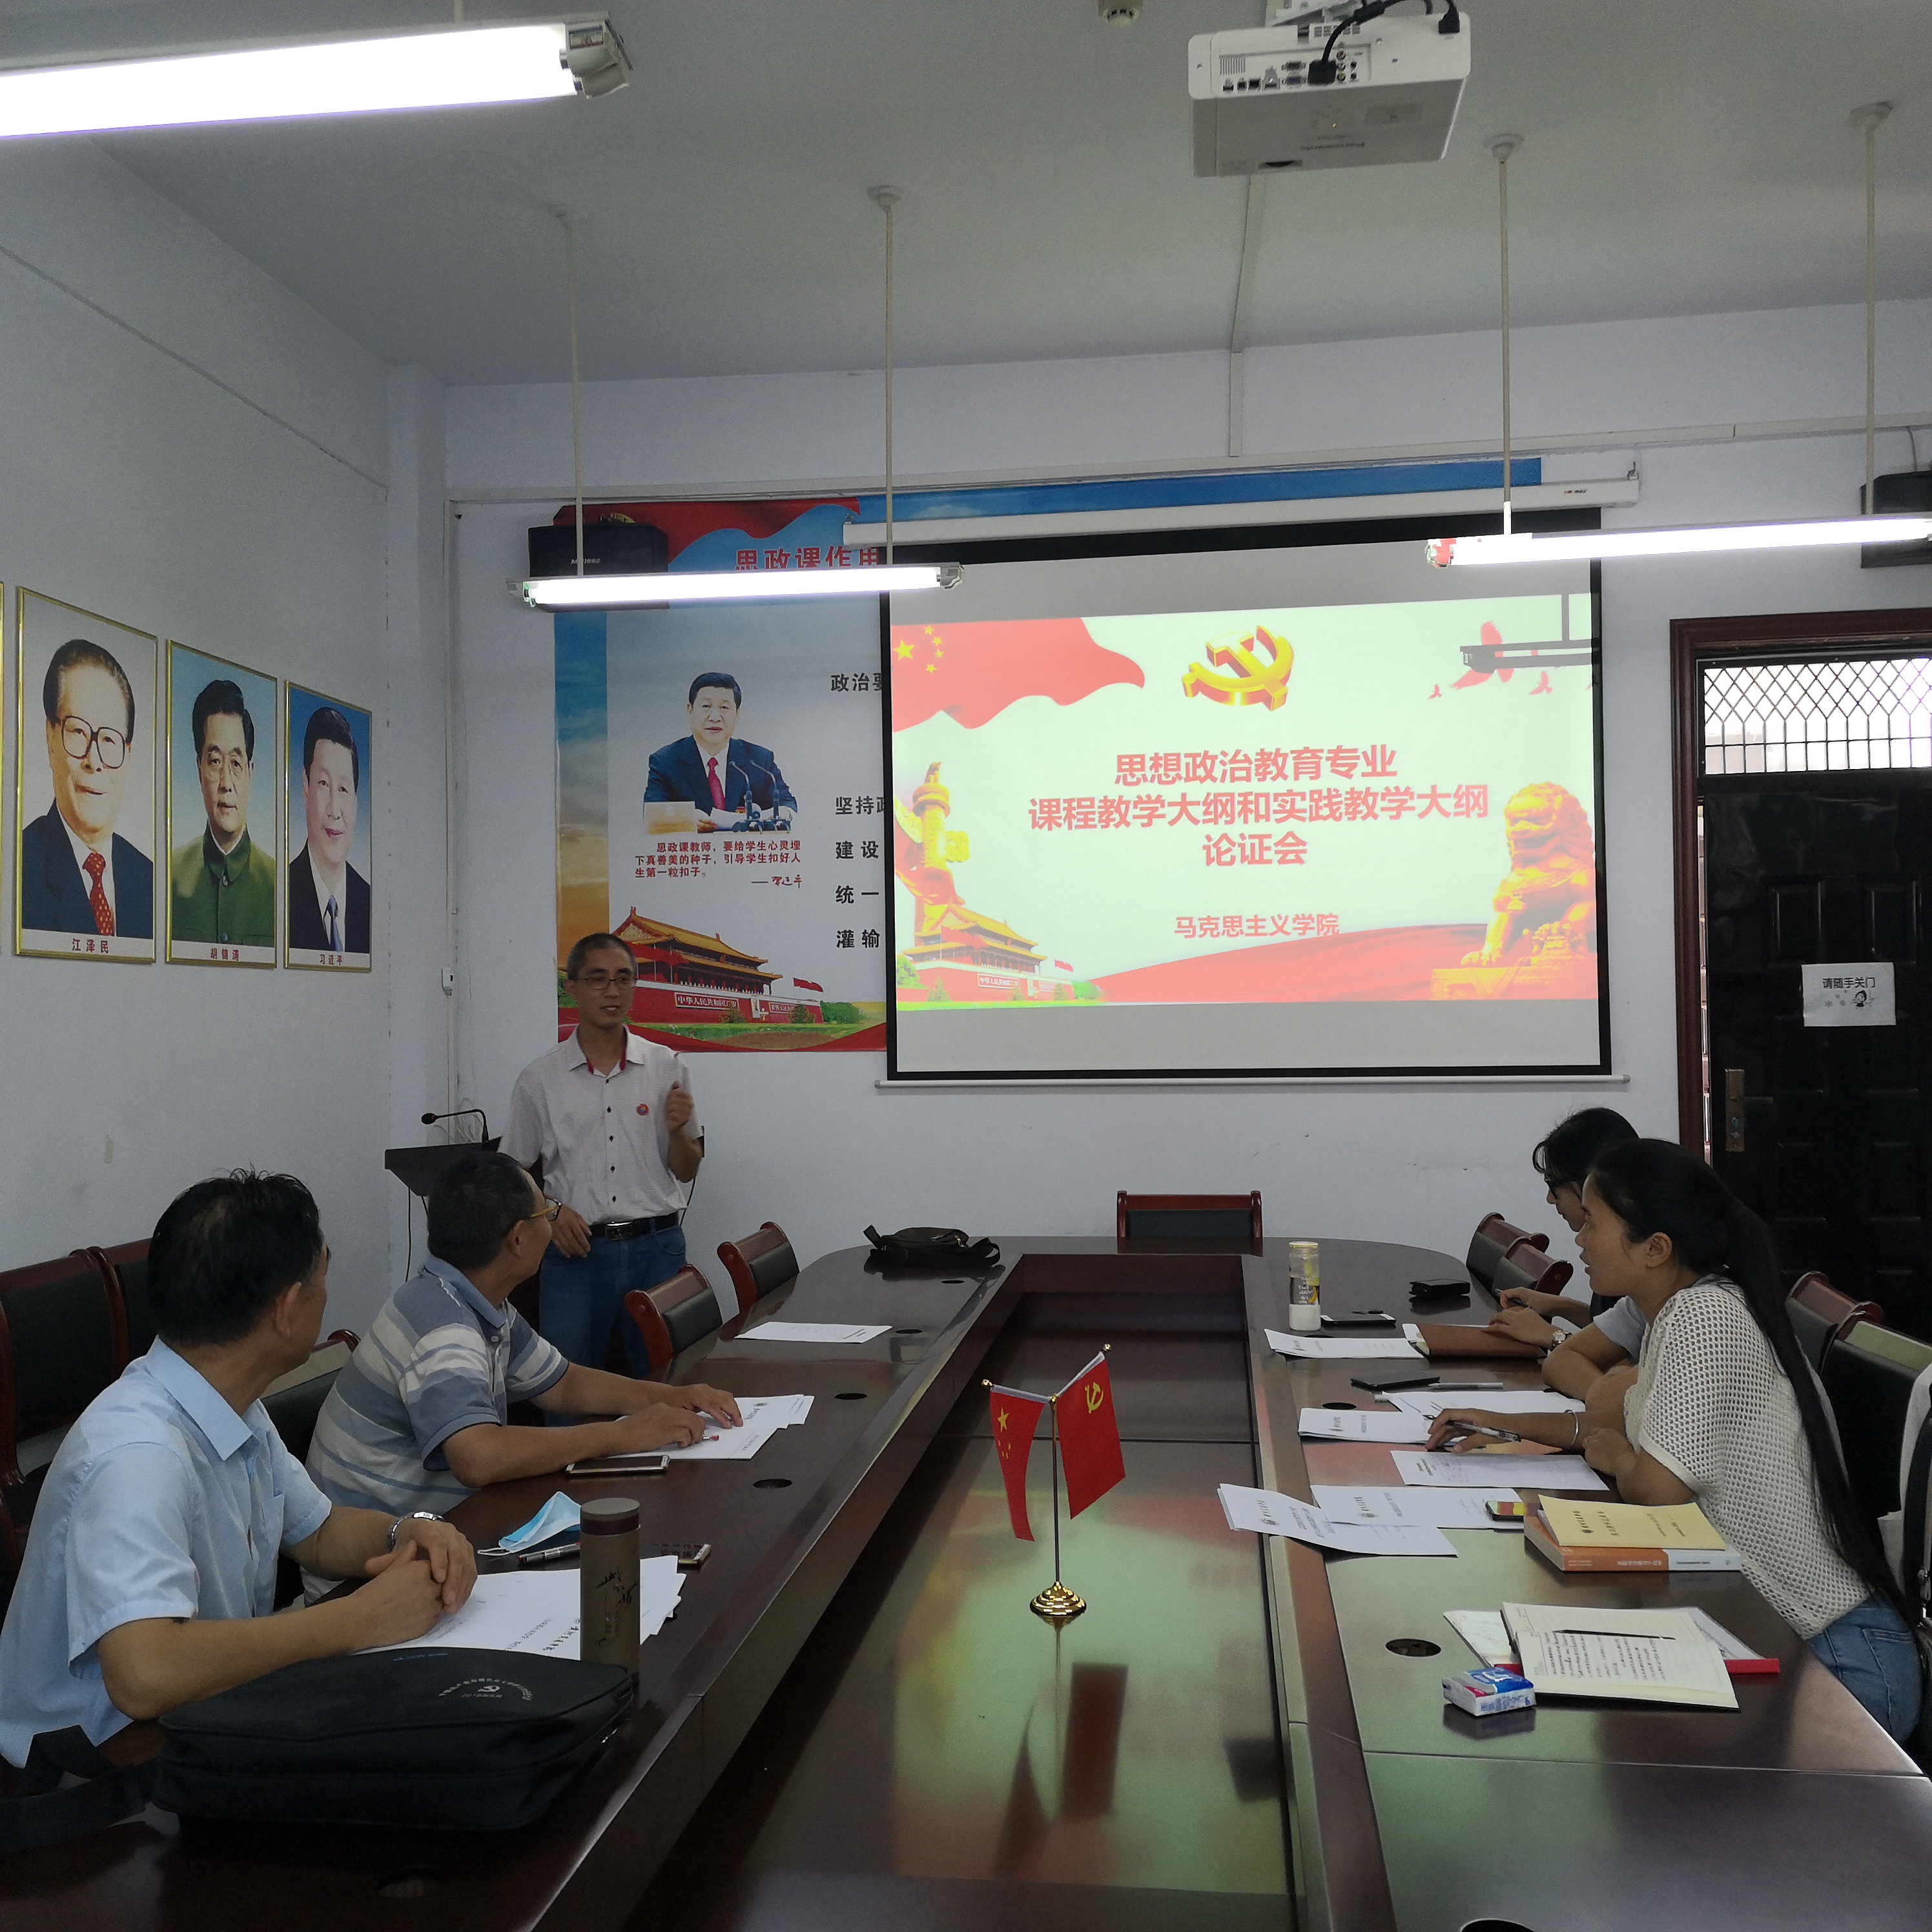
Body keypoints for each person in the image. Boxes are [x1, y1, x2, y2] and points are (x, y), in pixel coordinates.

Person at [1428, 1138, 1924, 1741]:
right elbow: (1612, 1424)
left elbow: (1657, 1489)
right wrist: (1500, 1422)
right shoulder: (1683, 1310)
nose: (1579, 1239)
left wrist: (1617, 1457)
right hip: (1786, 1634)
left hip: (1839, 1659)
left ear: (1656, 1248)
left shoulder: (1702, 1316)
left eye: (1593, 1223)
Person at [0, 1173, 475, 1766]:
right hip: (93, 1769)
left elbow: (318, 1533)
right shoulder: (137, 1454)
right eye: (323, 1274)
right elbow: (143, 1674)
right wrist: (356, 1621)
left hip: (196, 1716)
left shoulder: (229, 1402)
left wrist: (411, 1531)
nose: (327, 1291)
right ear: (288, 1309)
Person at [307, 1151, 739, 1521]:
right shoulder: (444, 1329)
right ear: (518, 1239)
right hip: (375, 1560)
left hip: (434, 1527)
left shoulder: (470, 1297)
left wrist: (669, 1398)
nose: (552, 1223)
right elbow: (478, 1457)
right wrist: (623, 1435)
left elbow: (564, 1383)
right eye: (547, 1214)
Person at [501, 933, 705, 1374]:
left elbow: (687, 1170)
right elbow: (509, 1172)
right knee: (567, 1386)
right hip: (576, 1256)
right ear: (572, 987)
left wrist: (677, 1134)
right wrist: (551, 1212)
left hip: (657, 1250)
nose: (612, 991)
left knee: (666, 1380)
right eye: (598, 979)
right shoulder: (540, 1078)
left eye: (623, 979)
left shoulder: (668, 1067)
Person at [1482, 1107, 1642, 1401]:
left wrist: (1552, 1337)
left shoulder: (1648, 1271)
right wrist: (1561, 1306)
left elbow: (1623, 1382)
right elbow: (1619, 1336)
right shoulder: (1634, 1282)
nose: (1549, 1199)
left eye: (1553, 1186)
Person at [19, 638, 154, 940]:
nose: (94, 762)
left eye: (109, 740)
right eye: (78, 731)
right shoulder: (17, 868)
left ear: (128, 754)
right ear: (51, 738)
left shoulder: (150, 881)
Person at [170, 677, 276, 949]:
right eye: (215, 762)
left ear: (251, 774)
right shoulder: (169, 876)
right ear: (199, 769)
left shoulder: (280, 884)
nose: (226, 783)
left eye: (236, 764)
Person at [644, 672, 796, 831]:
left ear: (737, 714)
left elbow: (788, 805)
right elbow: (652, 813)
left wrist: (776, 815)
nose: (715, 717)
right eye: (706, 706)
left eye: (724, 708)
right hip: (696, 847)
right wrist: (686, 818)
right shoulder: (666, 761)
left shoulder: (759, 760)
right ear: (690, 710)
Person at [287, 705, 369, 954]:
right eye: (323, 784)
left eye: (343, 789)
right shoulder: (281, 893)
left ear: (355, 802)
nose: (334, 810)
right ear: (305, 788)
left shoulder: (368, 900)